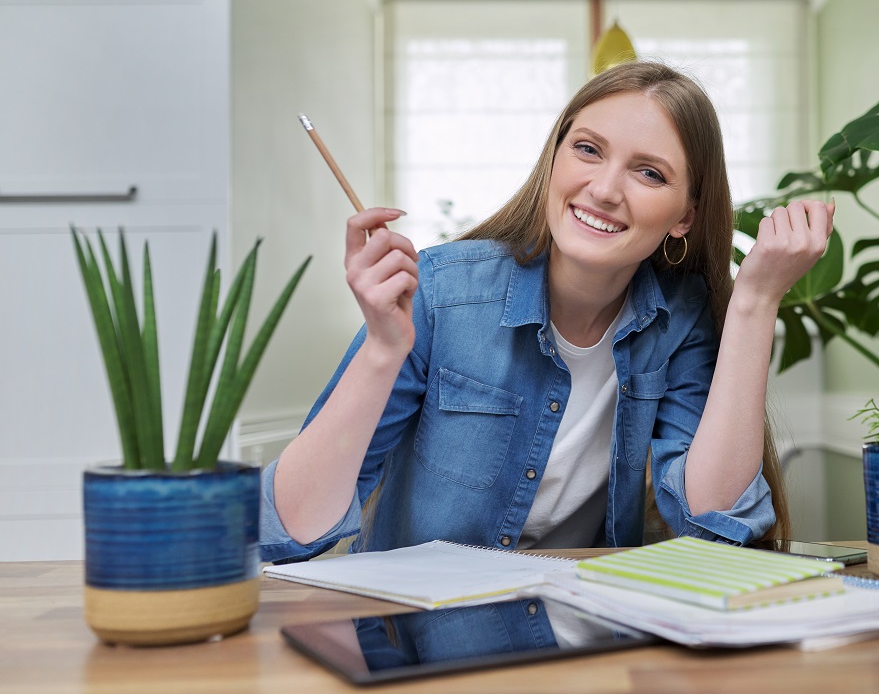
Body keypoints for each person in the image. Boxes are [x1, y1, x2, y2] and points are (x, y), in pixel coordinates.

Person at [260, 61, 834, 564]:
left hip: (580, 639)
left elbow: (713, 523)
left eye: (649, 172)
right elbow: (291, 529)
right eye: (588, 149)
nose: (604, 189)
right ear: (554, 158)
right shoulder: (441, 291)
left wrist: (756, 302)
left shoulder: (680, 320)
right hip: (418, 648)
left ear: (685, 216)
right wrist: (385, 350)